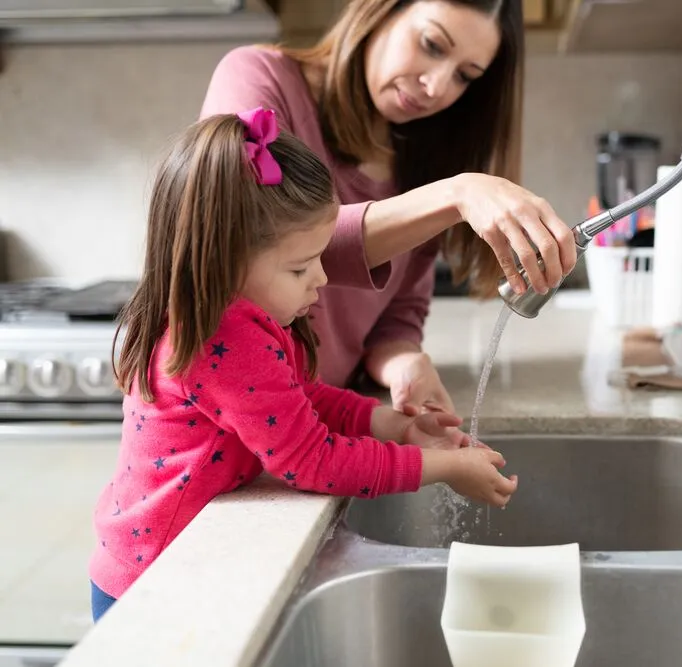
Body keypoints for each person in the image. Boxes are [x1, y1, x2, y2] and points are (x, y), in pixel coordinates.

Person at [88, 107, 518, 623]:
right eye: (299, 266)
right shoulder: (225, 336)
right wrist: (444, 467)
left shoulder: (235, 315)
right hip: (153, 586)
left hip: (164, 565)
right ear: (221, 259)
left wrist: (392, 424)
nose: (320, 278)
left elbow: (297, 398)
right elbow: (312, 461)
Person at [199, 0, 578, 416]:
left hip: (310, 430)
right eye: (432, 44)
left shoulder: (419, 159)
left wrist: (402, 361)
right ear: (381, 11)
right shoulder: (257, 75)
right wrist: (454, 195)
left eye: (464, 76)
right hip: (226, 434)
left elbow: (397, 315)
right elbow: (263, 238)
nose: (437, 86)